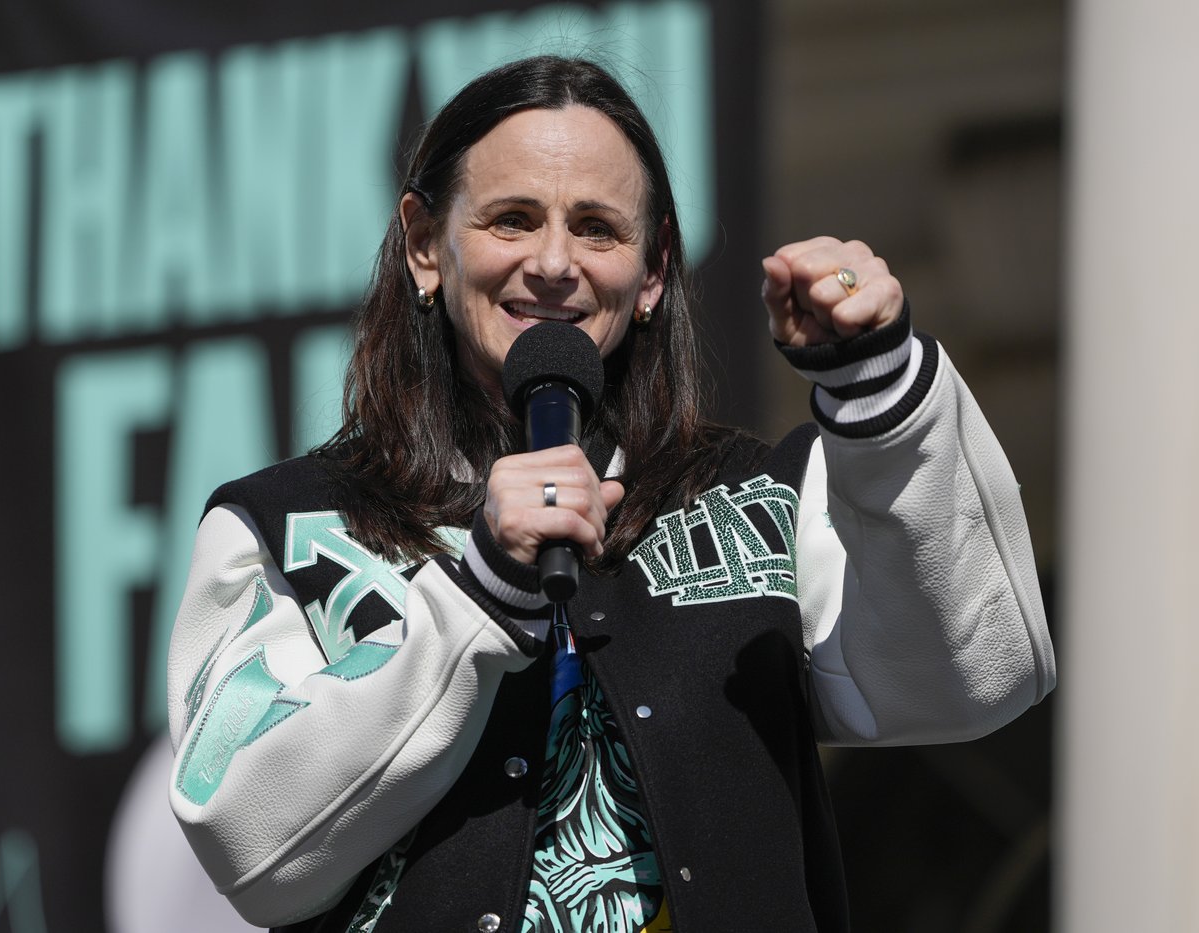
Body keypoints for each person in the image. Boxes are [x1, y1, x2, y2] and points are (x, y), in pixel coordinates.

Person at [166, 56, 1055, 932]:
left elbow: (982, 675)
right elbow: (247, 843)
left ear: (655, 271)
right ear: (425, 244)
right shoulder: (282, 526)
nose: (554, 263)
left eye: (598, 228)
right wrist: (478, 600)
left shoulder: (759, 496)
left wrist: (881, 389)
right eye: (512, 220)